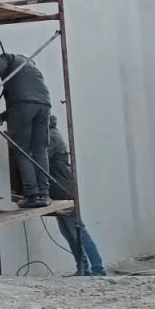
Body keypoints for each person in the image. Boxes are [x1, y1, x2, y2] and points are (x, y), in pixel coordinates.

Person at [0, 51, 52, 208]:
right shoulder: (32, 68)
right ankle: (44, 194)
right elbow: (28, 99)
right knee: (40, 150)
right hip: (44, 106)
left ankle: (32, 195)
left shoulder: (10, 58)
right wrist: (3, 116)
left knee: (22, 150)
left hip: (23, 106)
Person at [47, 114, 105, 276]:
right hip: (58, 191)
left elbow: (40, 154)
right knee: (69, 233)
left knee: (79, 232)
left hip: (64, 190)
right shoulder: (51, 134)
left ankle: (97, 269)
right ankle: (83, 268)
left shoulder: (52, 136)